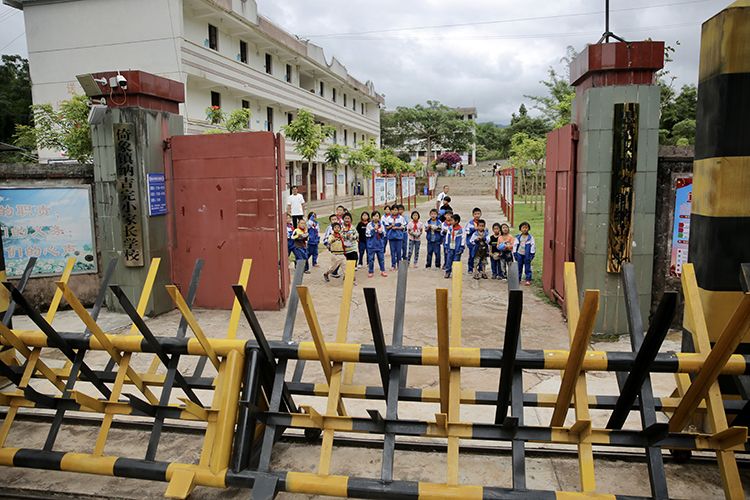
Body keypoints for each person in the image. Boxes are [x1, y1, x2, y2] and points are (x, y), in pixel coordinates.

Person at [366, 210, 387, 277]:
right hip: (371, 245)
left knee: (381, 259)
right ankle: (371, 271)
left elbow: (384, 234)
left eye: (377, 216)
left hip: (380, 245)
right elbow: (367, 234)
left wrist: (381, 232)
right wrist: (373, 230)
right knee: (371, 259)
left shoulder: (381, 224)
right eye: (374, 216)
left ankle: (383, 271)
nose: (376, 217)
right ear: (372, 217)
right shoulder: (369, 225)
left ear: (379, 217)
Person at [513, 221, 536, 285]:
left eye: (526, 228)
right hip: (519, 253)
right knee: (519, 267)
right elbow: (515, 245)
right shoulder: (518, 237)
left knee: (527, 267)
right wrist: (515, 253)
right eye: (523, 228)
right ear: (520, 229)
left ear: (529, 229)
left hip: (527, 255)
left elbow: (533, 245)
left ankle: (528, 279)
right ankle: (518, 279)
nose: (525, 229)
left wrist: (532, 254)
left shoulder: (530, 238)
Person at [443, 213, 465, 279]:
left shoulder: (461, 230)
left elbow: (463, 239)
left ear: (456, 221)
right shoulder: (450, 228)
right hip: (450, 247)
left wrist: (462, 247)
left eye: (452, 220)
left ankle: (456, 273)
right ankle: (448, 271)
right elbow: (447, 237)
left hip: (457, 247)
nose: (451, 221)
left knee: (456, 260)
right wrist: (446, 245)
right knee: (448, 259)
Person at [386, 205, 406, 270]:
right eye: (393, 210)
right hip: (391, 237)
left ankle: (399, 264)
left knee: (399, 251)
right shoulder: (388, 218)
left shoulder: (401, 218)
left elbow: (403, 227)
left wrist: (397, 227)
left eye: (396, 210)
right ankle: (393, 265)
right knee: (392, 251)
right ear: (391, 211)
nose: (395, 211)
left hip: (399, 237)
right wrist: (391, 226)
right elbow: (386, 227)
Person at [465, 207, 482, 274]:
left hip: (480, 243)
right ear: (473, 215)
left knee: (480, 256)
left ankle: (480, 268)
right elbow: (467, 231)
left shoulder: (481, 223)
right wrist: (474, 229)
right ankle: (470, 268)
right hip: (472, 243)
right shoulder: (470, 223)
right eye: (475, 214)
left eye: (478, 214)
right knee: (472, 256)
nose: (477, 215)